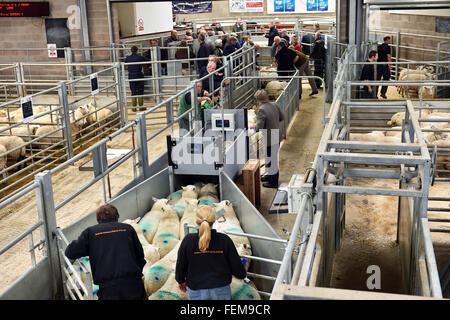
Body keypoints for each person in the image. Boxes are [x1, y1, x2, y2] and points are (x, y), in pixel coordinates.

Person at [65, 204, 146, 300]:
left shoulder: (91, 233)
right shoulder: (128, 229)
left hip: (108, 289)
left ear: (98, 219)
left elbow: (70, 252)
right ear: (117, 217)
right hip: (134, 284)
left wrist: (92, 248)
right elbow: (140, 256)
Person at [175, 205, 246, 300]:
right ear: (214, 220)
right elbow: (237, 267)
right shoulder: (225, 240)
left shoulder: (188, 241)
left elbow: (180, 265)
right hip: (221, 289)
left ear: (196, 221)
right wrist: (241, 274)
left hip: (196, 290)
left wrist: (180, 281)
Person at [250, 89, 284, 188]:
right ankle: (270, 176)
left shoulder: (262, 109)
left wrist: (254, 126)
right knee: (271, 158)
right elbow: (282, 117)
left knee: (272, 160)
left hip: (270, 138)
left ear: (258, 100)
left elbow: (259, 126)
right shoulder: (275, 105)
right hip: (276, 135)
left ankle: (273, 182)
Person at [124, 46, 149, 112]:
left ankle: (134, 107)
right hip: (139, 75)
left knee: (133, 91)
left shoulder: (128, 58)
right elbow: (148, 61)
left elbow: (125, 64)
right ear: (137, 50)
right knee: (140, 90)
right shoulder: (140, 57)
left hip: (131, 76)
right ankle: (141, 106)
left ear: (131, 51)